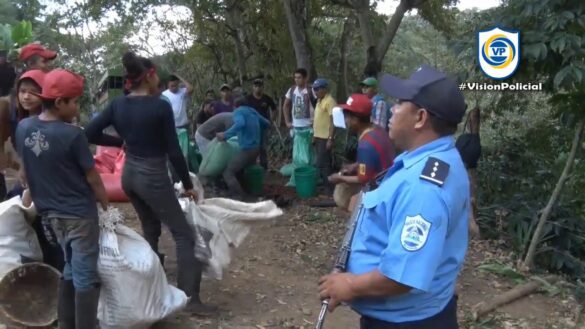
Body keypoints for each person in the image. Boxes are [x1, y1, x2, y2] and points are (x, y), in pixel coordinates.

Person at [318, 65, 470, 329]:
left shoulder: (424, 187)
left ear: (420, 117)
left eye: (400, 103)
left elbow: (403, 275)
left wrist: (350, 285)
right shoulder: (426, 160)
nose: (391, 109)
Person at [85, 52, 216, 316]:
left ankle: (150, 287)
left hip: (129, 177)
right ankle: (190, 299)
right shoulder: (159, 106)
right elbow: (174, 151)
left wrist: (119, 142)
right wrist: (186, 183)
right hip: (152, 176)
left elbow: (90, 132)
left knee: (151, 227)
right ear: (151, 75)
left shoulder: (118, 105)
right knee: (184, 235)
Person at [15, 69, 108, 328]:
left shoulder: (24, 127)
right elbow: (93, 178)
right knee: (85, 275)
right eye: (75, 101)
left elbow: (27, 168)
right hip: (79, 214)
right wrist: (105, 204)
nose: (77, 107)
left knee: (69, 266)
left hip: (51, 216)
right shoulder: (73, 134)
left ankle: (66, 324)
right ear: (59, 103)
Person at [328, 94, 395, 208]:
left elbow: (363, 179)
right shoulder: (378, 129)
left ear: (355, 119)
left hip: (379, 189)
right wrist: (355, 165)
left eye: (347, 117)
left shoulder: (365, 144)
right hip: (389, 178)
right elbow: (375, 157)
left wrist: (339, 178)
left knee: (341, 196)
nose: (346, 121)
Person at [216, 96, 270, 200]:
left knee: (228, 172)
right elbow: (267, 123)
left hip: (247, 149)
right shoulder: (252, 111)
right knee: (242, 170)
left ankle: (241, 197)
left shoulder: (238, 111)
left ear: (235, 106)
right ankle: (250, 192)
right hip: (256, 149)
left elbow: (240, 123)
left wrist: (225, 135)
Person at [456, 107, 482, 237]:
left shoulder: (472, 141)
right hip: (462, 168)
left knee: (469, 197)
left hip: (468, 170)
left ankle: (470, 223)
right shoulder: (465, 140)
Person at [283, 68, 315, 169]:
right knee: (297, 153)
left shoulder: (311, 90)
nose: (297, 80)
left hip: (309, 126)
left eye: (299, 77)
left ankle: (310, 172)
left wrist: (315, 122)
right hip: (296, 126)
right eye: (295, 77)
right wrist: (287, 121)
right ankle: (299, 171)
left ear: (305, 78)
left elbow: (318, 106)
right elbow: (286, 105)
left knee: (309, 152)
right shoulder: (292, 90)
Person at [311, 78, 336, 193]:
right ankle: (325, 185)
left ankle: (328, 188)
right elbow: (318, 120)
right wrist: (314, 135)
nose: (315, 91)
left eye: (317, 89)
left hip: (326, 137)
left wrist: (330, 138)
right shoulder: (319, 101)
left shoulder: (329, 101)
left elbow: (333, 120)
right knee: (321, 162)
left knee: (323, 163)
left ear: (324, 89)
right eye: (314, 89)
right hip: (319, 136)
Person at [246, 78, 276, 169]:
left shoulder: (267, 98)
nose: (258, 88)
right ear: (253, 87)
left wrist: (271, 120)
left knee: (263, 147)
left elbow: (274, 109)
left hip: (263, 126)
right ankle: (252, 166)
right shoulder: (248, 98)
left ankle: (264, 166)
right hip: (251, 127)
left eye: (259, 86)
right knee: (253, 147)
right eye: (256, 86)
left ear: (263, 87)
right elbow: (242, 110)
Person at [162, 74, 194, 158]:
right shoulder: (164, 95)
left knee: (187, 149)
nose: (174, 87)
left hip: (184, 125)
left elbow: (191, 88)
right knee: (175, 150)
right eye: (172, 86)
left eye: (176, 85)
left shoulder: (183, 92)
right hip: (172, 127)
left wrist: (179, 77)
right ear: (168, 85)